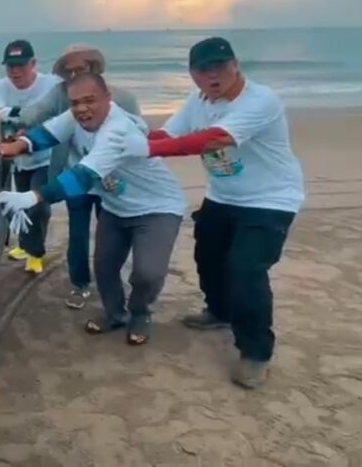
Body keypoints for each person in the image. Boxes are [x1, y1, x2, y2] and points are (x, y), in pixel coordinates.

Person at [109, 37, 304, 389]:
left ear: (236, 65)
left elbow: (214, 140)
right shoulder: (197, 101)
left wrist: (149, 149)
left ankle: (256, 352)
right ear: (192, 74)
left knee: (246, 271)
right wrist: (125, 137)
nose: (213, 75)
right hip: (223, 196)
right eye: (204, 69)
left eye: (220, 66)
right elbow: (168, 133)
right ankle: (219, 311)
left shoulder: (260, 100)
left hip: (270, 200)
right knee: (208, 258)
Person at [0, 72, 185, 345]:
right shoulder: (76, 116)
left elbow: (83, 178)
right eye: (75, 103)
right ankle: (115, 314)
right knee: (105, 267)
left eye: (90, 100)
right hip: (116, 206)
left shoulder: (117, 130)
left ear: (108, 98)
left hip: (157, 207)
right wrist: (17, 146)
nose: (82, 108)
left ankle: (140, 312)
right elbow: (48, 134)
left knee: (148, 273)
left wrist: (32, 197)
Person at [10, 44, 142, 309]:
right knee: (78, 234)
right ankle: (80, 285)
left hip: (110, 180)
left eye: (78, 69)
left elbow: (139, 137)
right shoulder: (60, 93)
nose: (72, 76)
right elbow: (34, 113)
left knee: (113, 236)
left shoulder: (124, 98)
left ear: (93, 68)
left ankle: (112, 284)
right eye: (67, 72)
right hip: (76, 177)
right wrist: (12, 120)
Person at [0, 40, 60, 274]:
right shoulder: (1, 87)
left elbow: (57, 116)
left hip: (46, 156)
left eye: (21, 65)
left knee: (38, 206)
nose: (15, 72)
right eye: (10, 66)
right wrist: (26, 119)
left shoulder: (51, 84)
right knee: (18, 203)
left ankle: (35, 253)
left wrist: (17, 116)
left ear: (33, 64)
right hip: (19, 158)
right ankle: (24, 244)